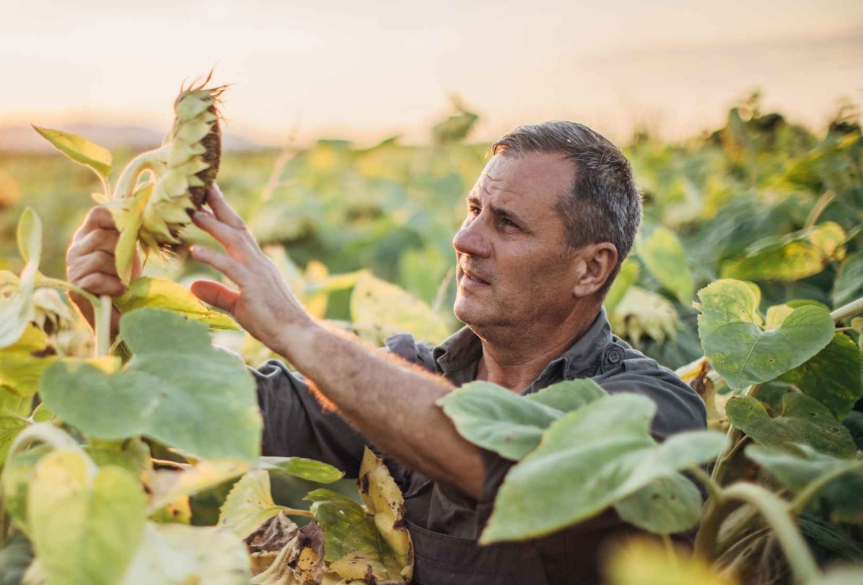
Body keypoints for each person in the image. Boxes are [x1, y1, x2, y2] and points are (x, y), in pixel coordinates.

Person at [65, 121, 707, 585]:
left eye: (506, 224)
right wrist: (114, 317)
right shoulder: (417, 372)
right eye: (474, 210)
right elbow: (230, 411)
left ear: (590, 269)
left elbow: (519, 467)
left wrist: (297, 329)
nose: (465, 239)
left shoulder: (651, 409)